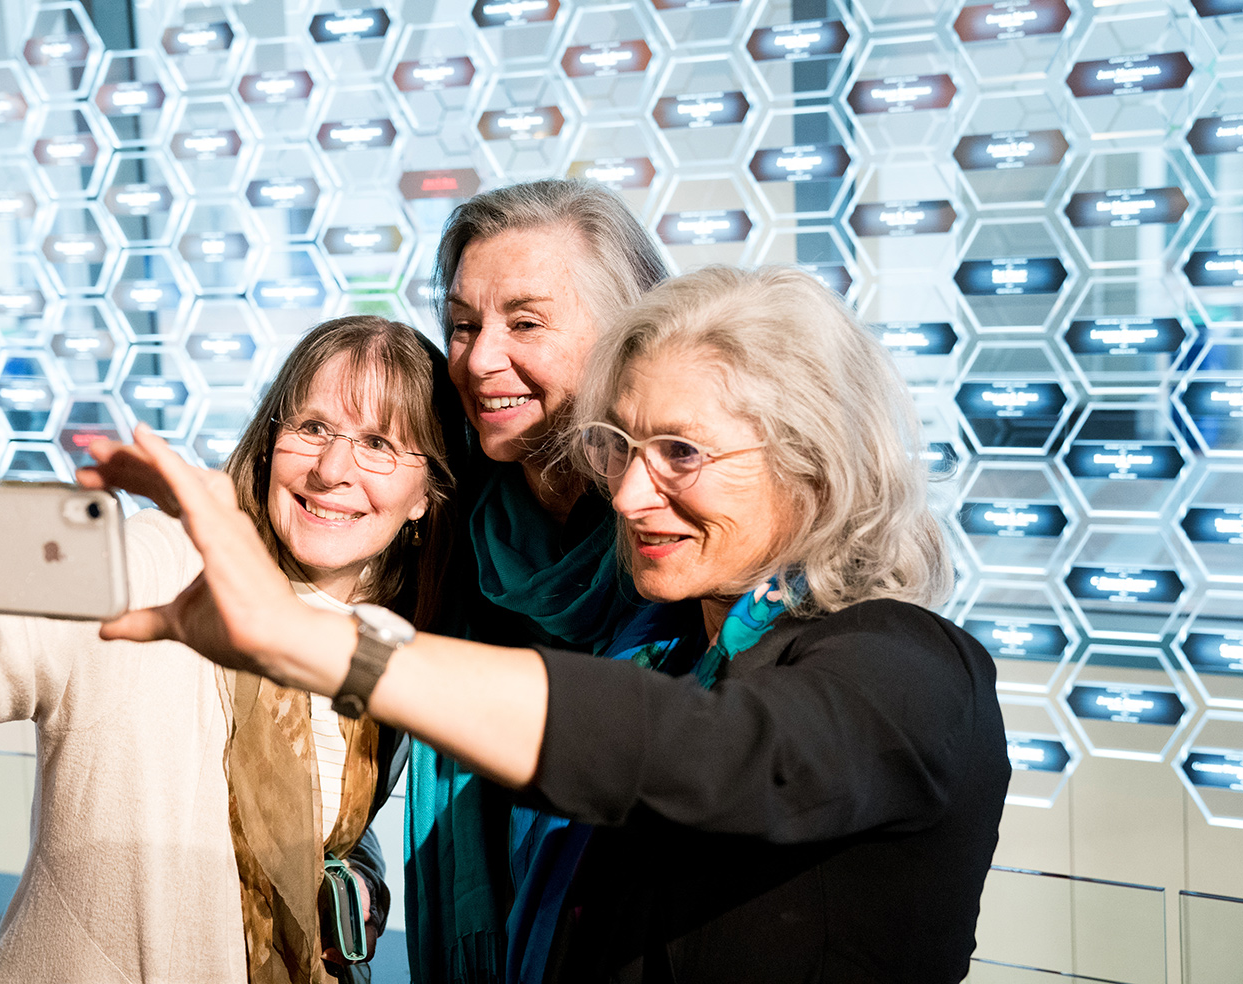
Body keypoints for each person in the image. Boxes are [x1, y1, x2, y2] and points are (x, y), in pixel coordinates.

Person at [86, 266, 1012, 984]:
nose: (632, 492)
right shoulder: (658, 648)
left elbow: (713, 753)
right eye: (620, 448)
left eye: (681, 453)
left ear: (815, 463)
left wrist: (308, 639)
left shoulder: (915, 670)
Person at [0, 315, 463, 984]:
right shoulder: (163, 561)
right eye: (313, 428)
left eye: (377, 443)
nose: (333, 469)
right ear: (270, 441)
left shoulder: (401, 637)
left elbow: (324, 806)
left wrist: (354, 873)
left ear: (425, 495)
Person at [412, 178, 677, 983]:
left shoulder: (696, 548)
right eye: (462, 325)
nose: (481, 358)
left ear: (627, 335)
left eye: (525, 322)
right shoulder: (438, 510)